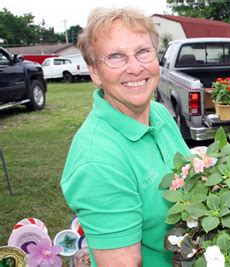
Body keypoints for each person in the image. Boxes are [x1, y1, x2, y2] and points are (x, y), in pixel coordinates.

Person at [61, 7, 189, 267]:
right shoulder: (97, 162)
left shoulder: (159, 113)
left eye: (143, 52)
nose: (135, 68)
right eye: (116, 56)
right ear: (94, 72)